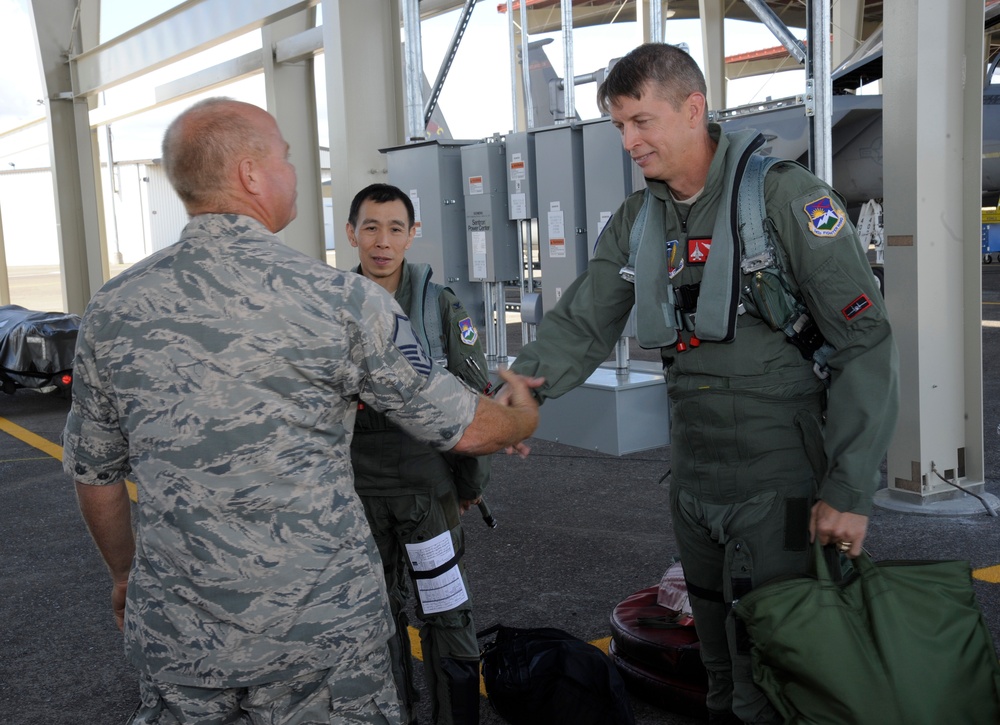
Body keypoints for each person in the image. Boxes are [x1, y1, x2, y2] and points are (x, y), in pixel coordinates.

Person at [62, 97, 540, 725]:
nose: (294, 171)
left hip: (180, 638)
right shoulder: (341, 302)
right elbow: (465, 424)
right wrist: (520, 416)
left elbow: (95, 477)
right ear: (251, 175)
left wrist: (126, 575)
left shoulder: (112, 309)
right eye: (287, 157)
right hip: (321, 640)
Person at [507, 44, 899, 724]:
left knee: (781, 660)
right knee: (718, 667)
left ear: (693, 109)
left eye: (641, 121)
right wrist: (519, 393)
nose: (629, 140)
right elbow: (582, 320)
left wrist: (849, 487)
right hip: (694, 479)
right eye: (620, 126)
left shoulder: (784, 197)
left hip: (780, 474)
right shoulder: (639, 221)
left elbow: (865, 340)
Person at [346, 183, 490, 725]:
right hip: (353, 494)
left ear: (412, 234)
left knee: (445, 611)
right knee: (372, 617)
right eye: (371, 228)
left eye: (395, 228)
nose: (383, 242)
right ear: (351, 233)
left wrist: (472, 481)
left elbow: (476, 401)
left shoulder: (439, 306)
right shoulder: (331, 308)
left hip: (427, 490)